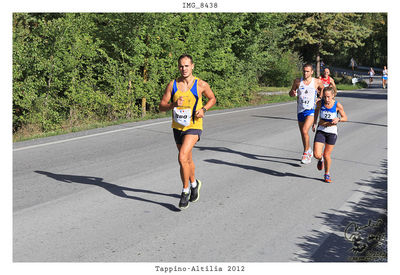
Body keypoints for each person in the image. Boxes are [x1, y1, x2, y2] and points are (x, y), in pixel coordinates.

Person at [159, 54, 216, 209]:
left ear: (192, 66)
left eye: (186, 66)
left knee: (182, 156)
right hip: (177, 126)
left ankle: (184, 192)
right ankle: (193, 183)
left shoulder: (201, 84)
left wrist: (204, 109)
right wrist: (173, 104)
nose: (183, 69)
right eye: (181, 66)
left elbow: (212, 98)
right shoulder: (173, 85)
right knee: (187, 160)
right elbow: (161, 106)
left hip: (194, 125)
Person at [289, 64, 324, 164]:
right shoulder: (297, 81)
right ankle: (308, 150)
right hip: (300, 110)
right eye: (304, 71)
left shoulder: (316, 81)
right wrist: (292, 92)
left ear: (312, 72)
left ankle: (305, 153)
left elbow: (322, 88)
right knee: (303, 133)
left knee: (305, 130)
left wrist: (320, 97)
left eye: (307, 71)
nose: (305, 73)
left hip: (311, 110)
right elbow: (291, 93)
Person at [312, 85, 347, 183]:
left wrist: (338, 119)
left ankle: (327, 174)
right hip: (321, 129)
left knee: (327, 154)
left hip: (332, 131)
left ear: (333, 96)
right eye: (324, 97)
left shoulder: (337, 105)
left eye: (328, 97)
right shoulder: (320, 103)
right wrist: (314, 123)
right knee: (316, 154)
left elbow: (345, 117)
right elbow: (316, 112)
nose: (326, 99)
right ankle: (320, 159)